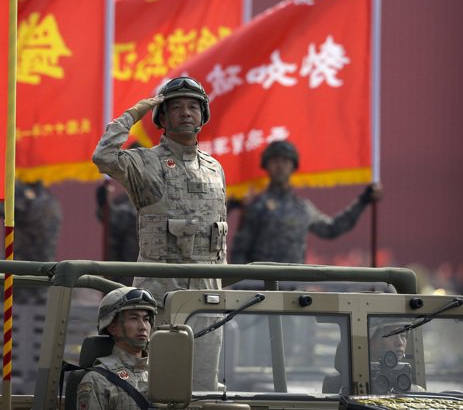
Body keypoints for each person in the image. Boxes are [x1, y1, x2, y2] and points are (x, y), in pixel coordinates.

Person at [92, 76, 227, 390]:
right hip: (160, 294)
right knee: (156, 382)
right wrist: (132, 115)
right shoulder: (146, 163)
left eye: (193, 106)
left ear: (203, 115)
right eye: (176, 107)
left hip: (208, 292)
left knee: (203, 384)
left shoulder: (215, 168)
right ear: (162, 118)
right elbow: (103, 157)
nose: (186, 112)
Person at [229, 140, 382, 264]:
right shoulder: (256, 205)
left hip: (293, 286)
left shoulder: (302, 208)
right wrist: (243, 285)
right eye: (275, 161)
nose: (280, 166)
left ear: (293, 166)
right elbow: (239, 251)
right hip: (259, 286)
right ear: (266, 166)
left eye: (285, 161)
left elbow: (331, 229)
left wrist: (363, 201)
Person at [0, 180, 63, 304]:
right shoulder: (50, 199)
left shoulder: (18, 192)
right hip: (43, 275)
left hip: (21, 274)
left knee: (17, 312)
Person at [76, 287, 157, 410]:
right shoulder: (98, 379)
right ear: (112, 327)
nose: (143, 327)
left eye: (146, 319)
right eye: (134, 318)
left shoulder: (161, 374)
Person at [96, 179, 139, 286]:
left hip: (145, 269)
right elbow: (112, 218)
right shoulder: (126, 200)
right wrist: (104, 204)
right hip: (124, 269)